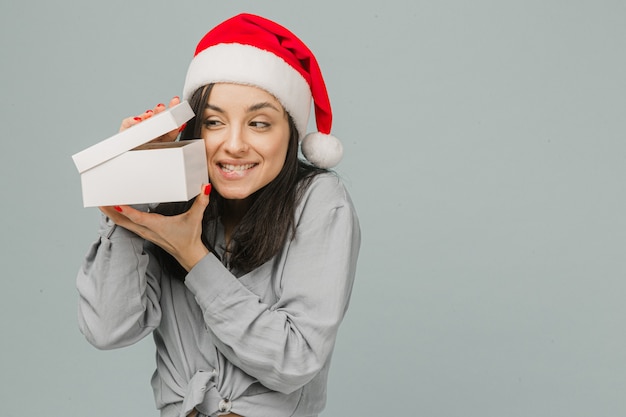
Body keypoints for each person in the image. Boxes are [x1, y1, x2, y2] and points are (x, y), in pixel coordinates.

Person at [76, 13, 360, 417]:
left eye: (259, 123)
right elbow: (108, 329)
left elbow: (293, 360)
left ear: (291, 132)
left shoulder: (318, 201)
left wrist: (193, 256)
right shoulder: (172, 197)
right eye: (213, 122)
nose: (235, 144)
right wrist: (130, 189)